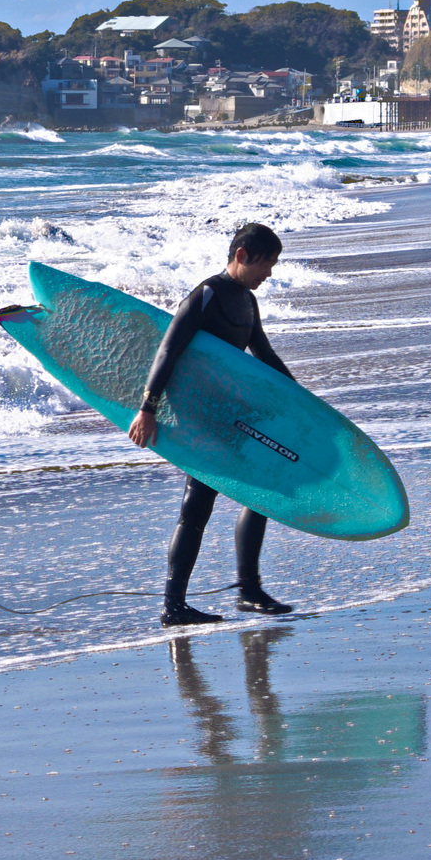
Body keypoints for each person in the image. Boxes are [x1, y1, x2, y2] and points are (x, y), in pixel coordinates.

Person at [128, 221, 297, 626]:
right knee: (197, 508)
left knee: (261, 496)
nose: (269, 273)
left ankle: (248, 590)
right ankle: (175, 604)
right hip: (200, 418)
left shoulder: (246, 302)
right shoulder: (205, 296)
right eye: (266, 264)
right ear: (241, 256)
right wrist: (147, 408)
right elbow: (168, 350)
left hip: (230, 415)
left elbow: (265, 355)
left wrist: (298, 396)